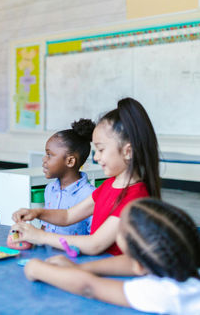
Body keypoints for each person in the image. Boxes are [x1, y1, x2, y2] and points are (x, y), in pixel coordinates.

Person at [12, 97, 160, 255]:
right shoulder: (109, 185)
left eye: (101, 150)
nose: (95, 158)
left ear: (127, 151)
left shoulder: (135, 198)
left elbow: (94, 244)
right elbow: (69, 215)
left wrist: (40, 236)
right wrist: (37, 213)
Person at [24, 198, 200, 315]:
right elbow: (130, 263)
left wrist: (36, 268)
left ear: (139, 266)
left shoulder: (165, 294)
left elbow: (89, 287)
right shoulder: (186, 271)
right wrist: (80, 268)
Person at [29, 119, 96, 235]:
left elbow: (94, 237)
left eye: (49, 155)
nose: (44, 159)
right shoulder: (50, 189)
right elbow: (45, 226)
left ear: (70, 161)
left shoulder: (90, 195)